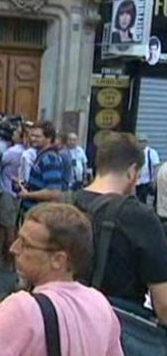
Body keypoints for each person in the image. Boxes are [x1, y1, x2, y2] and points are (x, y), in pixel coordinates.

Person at [0, 203, 123, 356]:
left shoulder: (20, 309)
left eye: (25, 244)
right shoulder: (101, 305)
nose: (14, 248)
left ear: (58, 260)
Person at [73, 132, 167, 324]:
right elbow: (163, 304)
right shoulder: (141, 218)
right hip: (114, 330)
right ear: (132, 172)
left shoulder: (63, 205)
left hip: (59, 324)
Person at [0, 124, 26, 265]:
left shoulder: (12, 152)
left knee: (8, 225)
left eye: (16, 132)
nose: (13, 134)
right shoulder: (27, 152)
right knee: (10, 224)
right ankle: (1, 254)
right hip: (19, 192)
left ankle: (10, 258)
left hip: (7, 190)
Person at [18, 120, 63, 210]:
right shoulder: (41, 156)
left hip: (40, 212)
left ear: (49, 138)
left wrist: (27, 195)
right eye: (32, 135)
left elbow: (53, 192)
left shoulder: (50, 159)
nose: (33, 139)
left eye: (38, 136)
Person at [136, 133, 160, 204]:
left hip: (147, 182)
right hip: (137, 183)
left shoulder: (152, 152)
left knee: (147, 201)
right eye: (139, 141)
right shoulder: (135, 152)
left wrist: (154, 181)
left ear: (146, 142)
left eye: (143, 141)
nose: (141, 143)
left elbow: (156, 167)